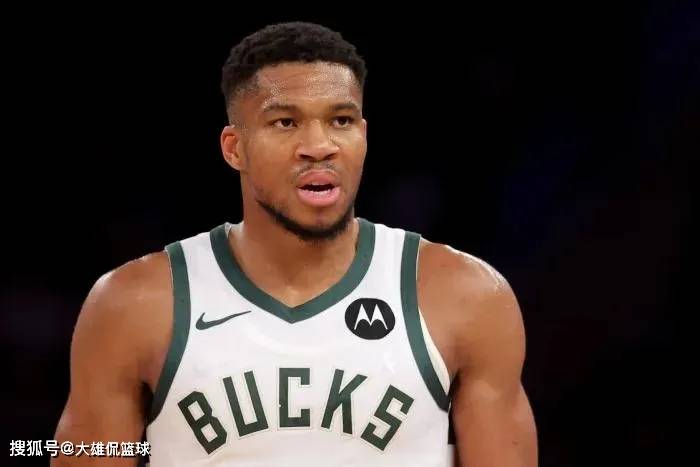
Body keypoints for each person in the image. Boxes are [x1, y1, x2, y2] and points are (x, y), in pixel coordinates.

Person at [53, 21, 538, 466]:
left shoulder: (465, 296)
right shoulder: (134, 304)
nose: (319, 145)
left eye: (341, 120)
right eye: (286, 122)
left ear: (364, 135)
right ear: (234, 148)